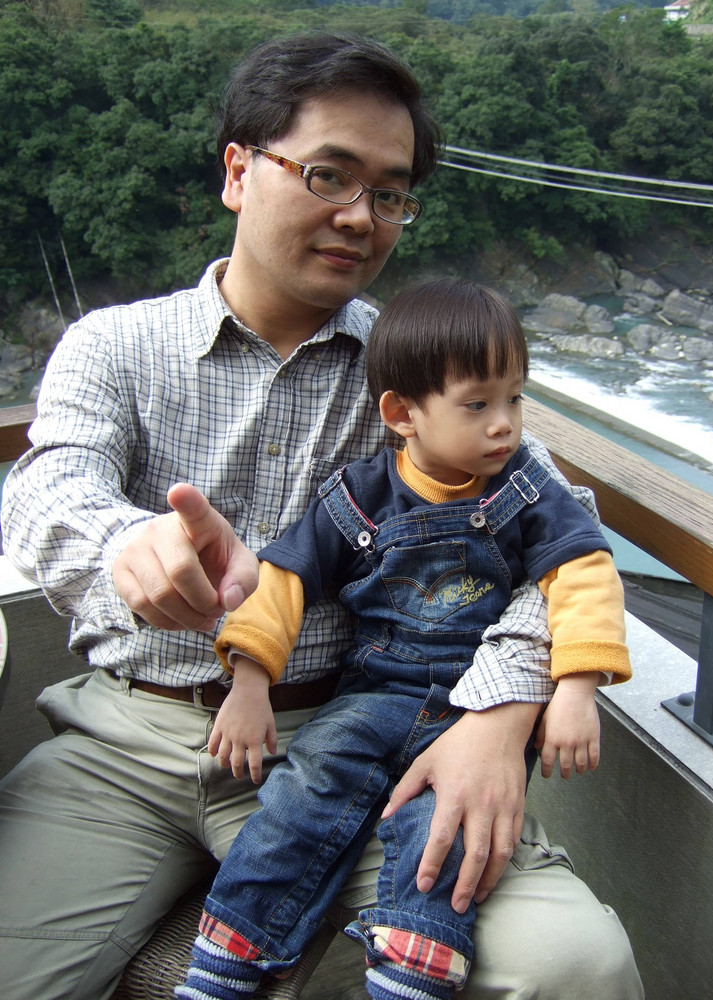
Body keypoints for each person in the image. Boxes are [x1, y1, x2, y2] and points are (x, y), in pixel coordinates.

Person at [0, 31, 643, 1000]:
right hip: (124, 743)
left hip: (348, 741)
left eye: (389, 195)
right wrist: (128, 542)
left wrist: (496, 710)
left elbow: (563, 536)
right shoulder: (115, 346)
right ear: (238, 171)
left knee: (576, 966)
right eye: (329, 175)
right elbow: (47, 489)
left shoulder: (417, 373)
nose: (359, 216)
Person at [177, 278, 633, 1000]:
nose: (505, 425)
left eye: (515, 398)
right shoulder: (359, 496)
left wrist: (577, 688)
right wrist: (250, 682)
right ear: (402, 414)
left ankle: (414, 970)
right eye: (477, 404)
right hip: (372, 695)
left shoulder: (526, 491)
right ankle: (229, 955)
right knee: (302, 795)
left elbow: (585, 575)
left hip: (471, 708)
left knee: (443, 830)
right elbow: (283, 580)